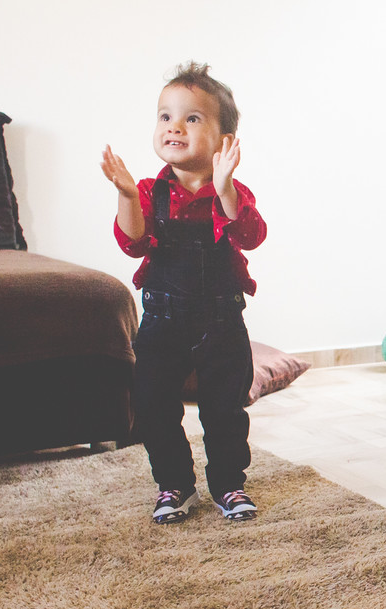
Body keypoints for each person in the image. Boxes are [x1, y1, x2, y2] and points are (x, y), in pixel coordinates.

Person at [101, 61, 267, 523]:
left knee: (224, 409)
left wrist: (225, 187)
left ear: (224, 141)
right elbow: (133, 243)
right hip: (162, 320)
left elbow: (251, 235)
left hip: (222, 322)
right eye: (165, 116)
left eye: (191, 118)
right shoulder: (149, 191)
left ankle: (229, 484)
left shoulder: (232, 193)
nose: (174, 126)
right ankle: (174, 484)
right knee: (153, 405)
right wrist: (126, 196)